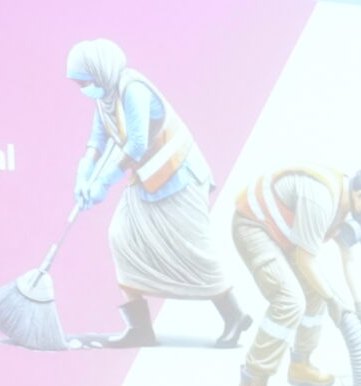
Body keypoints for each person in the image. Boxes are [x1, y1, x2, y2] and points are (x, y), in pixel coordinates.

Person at [63, 37, 248, 350]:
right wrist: (83, 174)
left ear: (100, 71)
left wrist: (104, 182)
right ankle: (140, 329)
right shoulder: (105, 97)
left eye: (84, 81)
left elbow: (136, 143)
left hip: (180, 177)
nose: (82, 88)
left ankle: (234, 316)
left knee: (193, 249)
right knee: (121, 236)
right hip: (149, 179)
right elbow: (97, 140)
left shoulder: (133, 88)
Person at [228, 162, 361, 386]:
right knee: (290, 301)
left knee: (316, 292)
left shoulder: (347, 203)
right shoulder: (322, 200)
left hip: (281, 235)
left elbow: (348, 257)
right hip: (253, 226)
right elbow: (305, 259)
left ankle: (300, 364)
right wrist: (335, 302)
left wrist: (359, 306)